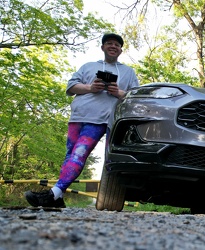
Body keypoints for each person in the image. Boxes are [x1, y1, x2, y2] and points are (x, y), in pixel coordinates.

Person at [25, 33, 140, 207]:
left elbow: (135, 96)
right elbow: (71, 87)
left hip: (101, 120)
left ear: (120, 50)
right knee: (70, 155)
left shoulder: (128, 72)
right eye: (109, 43)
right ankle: (58, 198)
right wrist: (90, 87)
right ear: (102, 47)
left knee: (79, 153)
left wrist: (119, 93)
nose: (113, 46)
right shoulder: (88, 66)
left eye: (117, 44)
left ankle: (52, 194)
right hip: (78, 117)